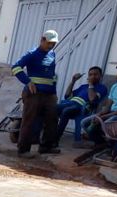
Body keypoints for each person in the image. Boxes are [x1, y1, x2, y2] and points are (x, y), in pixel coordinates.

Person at [12, 29, 60, 158]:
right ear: (42, 40)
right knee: (29, 120)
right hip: (34, 94)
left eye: (53, 43)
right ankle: (23, 150)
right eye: (49, 43)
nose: (51, 46)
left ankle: (46, 146)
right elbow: (16, 68)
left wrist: (54, 91)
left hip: (49, 94)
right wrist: (28, 82)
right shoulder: (32, 54)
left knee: (52, 119)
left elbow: (52, 75)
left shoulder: (52, 54)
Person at [85, 63, 117, 146]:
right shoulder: (115, 86)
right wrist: (99, 115)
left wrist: (104, 117)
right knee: (85, 123)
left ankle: (109, 144)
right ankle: (101, 143)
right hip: (111, 112)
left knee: (105, 124)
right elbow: (107, 106)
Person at [56, 66, 108, 145]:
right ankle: (45, 135)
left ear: (101, 76)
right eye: (90, 75)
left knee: (66, 111)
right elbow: (67, 96)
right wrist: (73, 81)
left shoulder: (102, 87)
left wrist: (90, 84)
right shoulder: (83, 86)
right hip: (70, 103)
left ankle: (55, 138)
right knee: (51, 108)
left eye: (95, 74)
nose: (92, 76)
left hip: (82, 107)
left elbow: (92, 99)